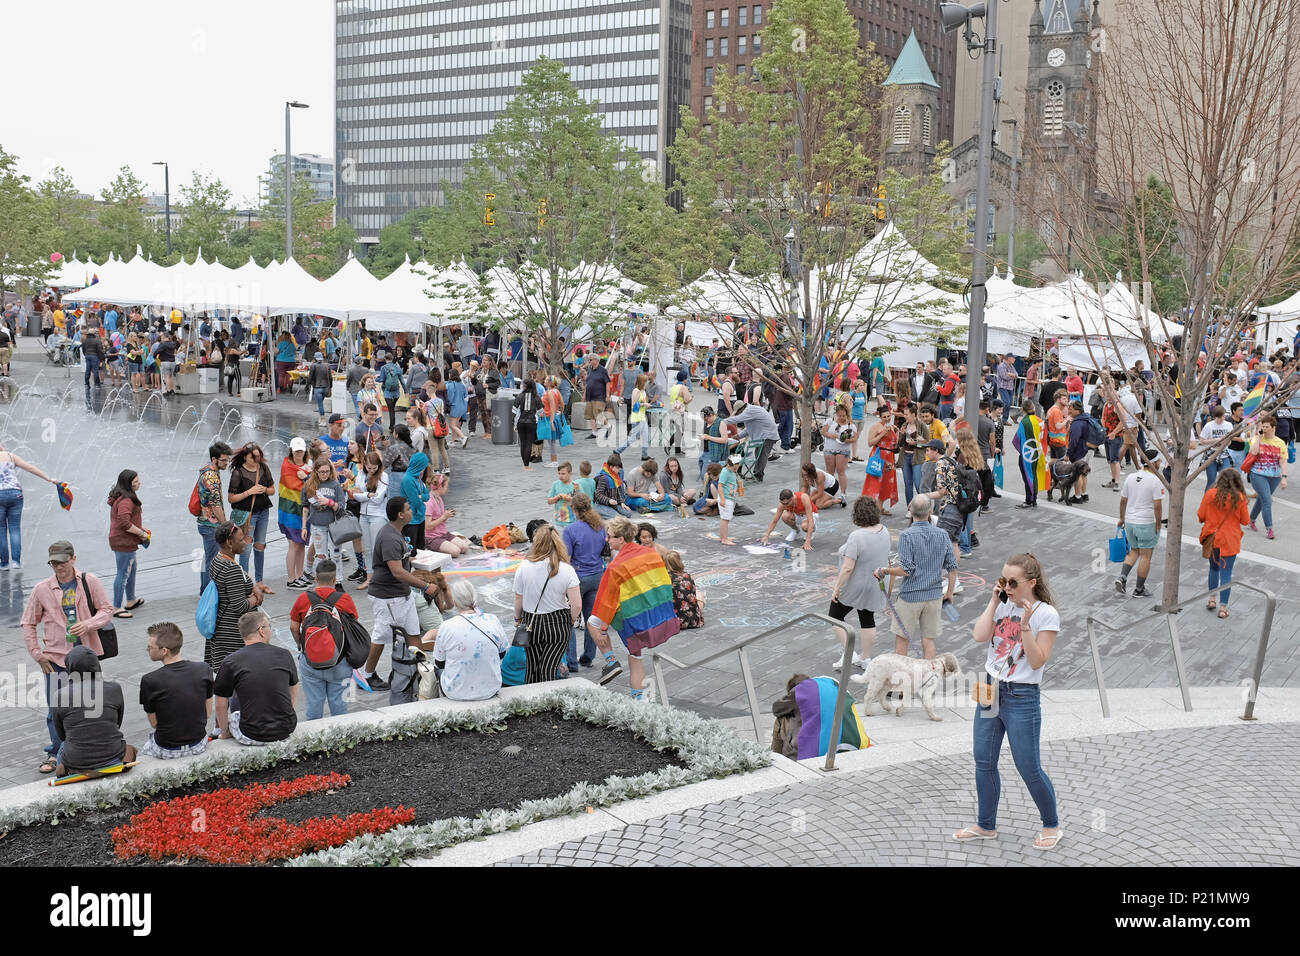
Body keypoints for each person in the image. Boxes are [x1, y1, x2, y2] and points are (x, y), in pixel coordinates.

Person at [955, 553, 1064, 850]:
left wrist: (1026, 626)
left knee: (1028, 766)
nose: (1007, 587)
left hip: (1022, 696)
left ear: (1031, 582)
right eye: (1003, 580)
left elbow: (1038, 660)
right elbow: (979, 636)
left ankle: (1051, 823)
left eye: (1013, 582)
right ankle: (985, 824)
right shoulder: (1002, 604)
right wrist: (994, 601)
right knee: (983, 761)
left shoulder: (1046, 614)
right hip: (991, 689)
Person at [22, 541, 113, 774]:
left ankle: (95, 747)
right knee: (56, 710)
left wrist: (88, 624)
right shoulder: (42, 589)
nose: (58, 567)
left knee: (93, 705)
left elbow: (106, 609)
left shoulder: (89, 581)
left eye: (62, 562)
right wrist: (37, 655)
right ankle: (57, 753)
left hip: (86, 658)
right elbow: (28, 622)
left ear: (73, 559)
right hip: (56, 659)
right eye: (54, 563)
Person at [587, 517, 681, 701]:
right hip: (656, 613)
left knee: (592, 623)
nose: (607, 540)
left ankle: (612, 662)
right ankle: (639, 700)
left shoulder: (615, 566)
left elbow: (607, 600)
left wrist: (604, 629)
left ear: (621, 539)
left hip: (633, 617)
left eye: (610, 536)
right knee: (635, 656)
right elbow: (662, 582)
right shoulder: (651, 554)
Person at [359, 496, 440, 692]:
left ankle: (420, 673)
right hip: (387, 597)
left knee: (413, 633)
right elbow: (397, 571)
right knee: (381, 634)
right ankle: (367, 675)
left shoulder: (398, 533)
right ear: (400, 515)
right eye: (408, 509)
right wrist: (425, 586)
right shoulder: (389, 537)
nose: (412, 511)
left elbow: (402, 566)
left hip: (402, 594)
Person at [874, 496, 958, 660]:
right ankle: (929, 680)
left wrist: (885, 571)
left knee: (902, 640)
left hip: (910, 596)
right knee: (928, 641)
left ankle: (901, 682)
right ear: (931, 511)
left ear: (910, 510)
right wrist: (949, 592)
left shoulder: (907, 535)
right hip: (933, 596)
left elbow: (906, 570)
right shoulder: (942, 534)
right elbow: (952, 568)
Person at [817, 496, 889, 674]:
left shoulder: (856, 536)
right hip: (875, 582)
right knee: (867, 618)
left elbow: (848, 567)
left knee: (834, 615)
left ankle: (850, 653)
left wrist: (837, 587)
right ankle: (866, 658)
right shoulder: (884, 530)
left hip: (856, 584)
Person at [214, 610, 299, 746]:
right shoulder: (284, 654)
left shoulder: (230, 661)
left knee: (234, 704)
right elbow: (294, 686)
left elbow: (220, 704)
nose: (270, 630)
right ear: (261, 631)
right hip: (286, 729)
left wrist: (224, 732)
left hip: (251, 734)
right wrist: (290, 712)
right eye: (269, 627)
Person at [288, 559, 359, 720]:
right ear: (335, 580)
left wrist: (301, 646)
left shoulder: (303, 598)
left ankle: (315, 742)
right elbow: (354, 625)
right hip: (339, 662)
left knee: (313, 707)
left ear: (315, 579)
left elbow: (293, 627)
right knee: (340, 707)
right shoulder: (344, 599)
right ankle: (341, 741)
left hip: (311, 663)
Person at [513, 525, 583, 682]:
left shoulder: (523, 567)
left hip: (532, 620)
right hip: (558, 620)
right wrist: (571, 620)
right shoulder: (566, 569)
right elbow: (577, 605)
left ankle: (532, 700)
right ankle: (548, 701)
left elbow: (519, 599)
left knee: (533, 665)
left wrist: (518, 619)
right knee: (550, 666)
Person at [51, 645, 133, 776]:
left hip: (76, 760)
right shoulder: (114, 688)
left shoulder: (60, 695)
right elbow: (117, 723)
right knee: (130, 750)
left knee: (65, 745)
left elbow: (61, 735)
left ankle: (68, 768)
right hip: (113, 754)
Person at [139, 622, 213, 759]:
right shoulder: (204, 669)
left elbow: (154, 723)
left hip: (167, 748)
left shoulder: (150, 680)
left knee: (143, 752)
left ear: (164, 651)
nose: (147, 649)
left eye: (150, 647)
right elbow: (208, 713)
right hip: (199, 743)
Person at [433, 579, 512, 701]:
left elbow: (439, 663)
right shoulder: (493, 620)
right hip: (490, 688)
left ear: (455, 602)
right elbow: (501, 654)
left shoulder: (446, 626)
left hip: (455, 692)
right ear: (475, 598)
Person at [206, 521, 270, 671]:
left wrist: (253, 586)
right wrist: (256, 598)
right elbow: (239, 605)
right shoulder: (231, 569)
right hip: (233, 634)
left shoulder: (218, 560)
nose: (245, 542)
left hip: (221, 629)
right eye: (241, 540)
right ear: (229, 542)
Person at [1197, 468, 1250, 620]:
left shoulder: (1210, 494)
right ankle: (1223, 608)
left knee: (1213, 569)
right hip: (1229, 540)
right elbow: (1245, 520)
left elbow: (1200, 515)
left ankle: (1211, 599)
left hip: (1212, 539)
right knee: (1226, 575)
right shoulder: (1239, 497)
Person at [563, 493, 605, 673]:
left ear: (574, 509)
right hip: (597, 575)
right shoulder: (600, 526)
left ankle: (571, 661)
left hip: (578, 577)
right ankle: (588, 656)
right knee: (591, 619)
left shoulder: (570, 530)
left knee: (569, 619)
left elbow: (567, 559)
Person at [1116, 456, 1165, 597]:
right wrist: (1158, 522)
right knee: (1146, 556)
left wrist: (1122, 518)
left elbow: (1123, 500)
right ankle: (1139, 589)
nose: (1160, 463)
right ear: (1153, 462)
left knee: (1134, 551)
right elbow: (1157, 505)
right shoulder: (1156, 480)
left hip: (1130, 521)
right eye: (1159, 461)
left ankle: (1122, 577)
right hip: (1146, 522)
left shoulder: (1131, 477)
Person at [227, 443, 275, 586]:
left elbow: (272, 490)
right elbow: (231, 498)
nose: (256, 459)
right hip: (248, 515)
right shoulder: (238, 473)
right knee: (246, 547)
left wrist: (265, 490)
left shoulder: (264, 468)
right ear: (245, 458)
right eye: (252, 457)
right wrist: (249, 492)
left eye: (258, 456)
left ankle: (259, 581)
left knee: (260, 545)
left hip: (263, 512)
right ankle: (245, 583)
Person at [107, 469, 149, 617]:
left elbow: (127, 521)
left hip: (124, 539)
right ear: (128, 484)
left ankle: (131, 600)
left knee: (131, 569)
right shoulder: (126, 500)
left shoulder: (123, 496)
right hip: (123, 541)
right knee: (123, 573)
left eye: (138, 480)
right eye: (135, 482)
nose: (139, 484)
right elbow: (124, 523)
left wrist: (141, 530)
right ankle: (116, 607)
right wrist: (142, 533)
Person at [195, 442, 233, 596]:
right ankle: (207, 593)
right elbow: (215, 504)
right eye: (224, 460)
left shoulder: (207, 469)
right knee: (212, 560)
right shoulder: (211, 477)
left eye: (228, 459)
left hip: (204, 522)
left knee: (208, 557)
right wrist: (226, 525)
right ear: (214, 459)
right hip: (211, 524)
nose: (227, 463)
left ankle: (205, 590)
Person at [1245, 414, 1288, 539]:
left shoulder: (1280, 442)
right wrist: (1258, 436)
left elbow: (1283, 460)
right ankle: (1270, 529)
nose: (1264, 428)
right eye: (1263, 426)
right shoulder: (1257, 438)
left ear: (1273, 428)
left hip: (1274, 476)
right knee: (1267, 501)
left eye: (1267, 426)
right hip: (1258, 474)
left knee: (1262, 499)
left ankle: (1251, 520)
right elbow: (1253, 452)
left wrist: (1284, 477)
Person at [278, 437, 313, 588]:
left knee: (301, 543)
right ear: (291, 450)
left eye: (301, 450)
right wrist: (308, 478)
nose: (299, 453)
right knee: (293, 544)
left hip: (304, 510)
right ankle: (291, 579)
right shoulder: (287, 466)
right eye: (296, 450)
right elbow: (291, 486)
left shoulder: (308, 467)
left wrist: (307, 477)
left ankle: (300, 575)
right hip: (290, 511)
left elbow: (313, 484)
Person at [303, 456, 346, 576]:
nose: (325, 474)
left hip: (334, 525)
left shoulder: (335, 485)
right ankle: (322, 581)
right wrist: (304, 527)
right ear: (316, 471)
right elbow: (305, 506)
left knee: (336, 555)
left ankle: (337, 580)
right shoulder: (309, 484)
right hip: (317, 525)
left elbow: (342, 506)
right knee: (321, 556)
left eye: (327, 471)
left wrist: (330, 503)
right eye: (322, 472)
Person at [724, 399, 781, 483]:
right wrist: (738, 436)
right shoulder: (750, 411)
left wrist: (722, 421)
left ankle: (758, 476)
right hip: (765, 435)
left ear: (741, 409)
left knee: (762, 456)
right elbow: (748, 429)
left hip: (767, 435)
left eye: (738, 412)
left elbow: (738, 419)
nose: (739, 414)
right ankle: (757, 474)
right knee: (759, 454)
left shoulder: (750, 410)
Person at [860, 405, 899, 515]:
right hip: (878, 456)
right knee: (874, 482)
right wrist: (882, 433)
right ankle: (870, 508)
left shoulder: (891, 426)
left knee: (887, 483)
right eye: (884, 417)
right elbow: (870, 443)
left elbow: (895, 445)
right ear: (880, 417)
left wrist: (898, 433)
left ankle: (880, 507)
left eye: (888, 416)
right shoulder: (875, 427)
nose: (887, 418)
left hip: (889, 458)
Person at [1013, 399, 1049, 509]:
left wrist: (1023, 452)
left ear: (1023, 409)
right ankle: (1034, 499)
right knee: (1034, 476)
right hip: (1038, 453)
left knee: (1027, 476)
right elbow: (1044, 438)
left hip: (1026, 455)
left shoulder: (1024, 422)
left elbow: (1017, 439)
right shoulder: (1040, 421)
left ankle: (1029, 500)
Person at [424, 472, 469, 555]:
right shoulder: (429, 502)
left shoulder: (439, 499)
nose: (447, 489)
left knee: (464, 547)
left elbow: (439, 518)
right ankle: (429, 546)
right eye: (446, 486)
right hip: (432, 537)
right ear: (440, 486)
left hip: (443, 533)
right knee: (456, 552)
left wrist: (447, 515)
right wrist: (443, 517)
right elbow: (427, 526)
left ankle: (443, 545)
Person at [615, 373, 653, 461]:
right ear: (642, 382)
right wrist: (644, 404)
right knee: (633, 438)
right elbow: (634, 405)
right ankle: (618, 451)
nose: (647, 383)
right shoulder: (636, 391)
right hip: (637, 418)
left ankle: (644, 455)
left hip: (642, 417)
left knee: (645, 436)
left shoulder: (643, 391)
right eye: (646, 381)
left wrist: (646, 404)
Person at [663, 549, 703, 629]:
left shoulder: (665, 579)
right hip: (693, 621)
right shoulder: (687, 575)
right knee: (700, 595)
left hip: (675, 622)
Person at [400, 451, 431, 550]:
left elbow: (427, 495)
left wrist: (421, 497)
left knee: (420, 548)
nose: (424, 469)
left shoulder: (417, 478)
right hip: (411, 520)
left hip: (419, 518)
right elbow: (415, 501)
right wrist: (422, 500)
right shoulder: (408, 480)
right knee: (412, 550)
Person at [594, 452, 637, 518]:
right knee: (617, 517)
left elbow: (619, 491)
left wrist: (621, 502)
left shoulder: (616, 476)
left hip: (613, 504)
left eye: (619, 468)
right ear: (611, 467)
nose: (619, 470)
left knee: (628, 513)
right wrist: (609, 500)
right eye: (617, 468)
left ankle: (608, 513)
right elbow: (598, 494)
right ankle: (600, 513)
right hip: (602, 504)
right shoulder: (604, 478)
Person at [514, 372, 541, 472]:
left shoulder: (520, 396)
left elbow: (514, 410)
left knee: (523, 443)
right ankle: (526, 465)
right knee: (529, 443)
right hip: (532, 423)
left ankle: (524, 464)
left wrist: (514, 423)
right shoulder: (536, 397)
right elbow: (541, 411)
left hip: (521, 422)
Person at [548, 461, 577, 527]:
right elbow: (549, 501)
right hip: (558, 521)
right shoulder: (555, 484)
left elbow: (580, 502)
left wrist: (570, 498)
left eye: (563, 474)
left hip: (572, 521)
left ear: (570, 474)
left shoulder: (575, 485)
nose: (560, 476)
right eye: (559, 473)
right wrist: (556, 498)